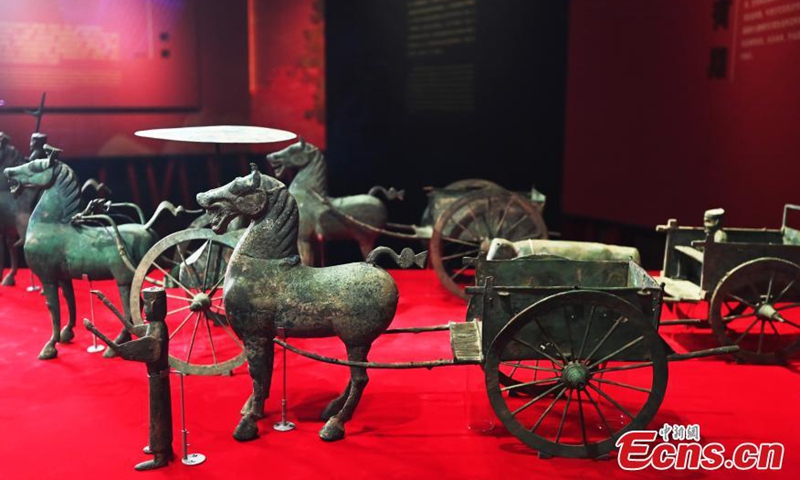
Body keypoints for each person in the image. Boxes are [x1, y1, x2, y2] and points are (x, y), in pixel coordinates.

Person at [84, 287, 174, 471]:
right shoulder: (155, 325)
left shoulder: (157, 329)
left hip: (157, 378)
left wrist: (96, 332)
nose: (147, 308)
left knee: (157, 412)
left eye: (150, 304)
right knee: (160, 411)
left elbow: (131, 350)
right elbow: (132, 328)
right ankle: (166, 448)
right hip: (157, 377)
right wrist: (106, 301)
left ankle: (160, 456)